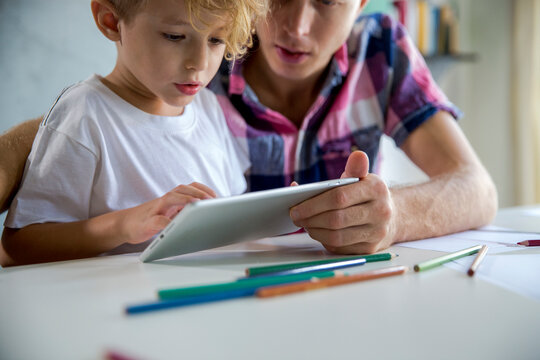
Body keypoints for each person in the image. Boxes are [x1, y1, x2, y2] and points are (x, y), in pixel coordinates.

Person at [1, 0, 497, 258]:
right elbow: (109, 113)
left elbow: (476, 188)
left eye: (327, 1)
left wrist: (390, 218)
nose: (297, 27)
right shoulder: (200, 65)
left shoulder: (381, 48)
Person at [0, 0, 266, 266]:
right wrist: (125, 224)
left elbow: (232, 217)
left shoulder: (208, 108)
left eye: (216, 39)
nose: (199, 62)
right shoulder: (84, 115)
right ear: (111, 22)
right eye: (174, 36)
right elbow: (17, 248)